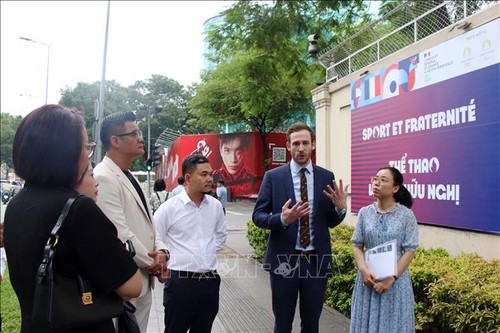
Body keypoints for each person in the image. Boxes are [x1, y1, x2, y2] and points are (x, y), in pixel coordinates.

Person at [3, 104, 141, 333]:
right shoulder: (79, 209)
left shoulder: (16, 204)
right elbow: (131, 286)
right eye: (84, 147)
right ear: (65, 153)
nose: (87, 156)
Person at [252, 122, 349, 333]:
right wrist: (283, 219)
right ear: (288, 146)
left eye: (306, 143)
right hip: (284, 262)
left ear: (313, 144)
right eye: (296, 143)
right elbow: (258, 216)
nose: (301, 148)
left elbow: (329, 220)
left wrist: (340, 209)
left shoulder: (326, 177)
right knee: (283, 323)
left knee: (312, 324)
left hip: (315, 263)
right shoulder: (274, 177)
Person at [94, 111, 169, 332]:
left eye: (139, 132)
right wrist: (153, 263)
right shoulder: (103, 177)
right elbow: (119, 233)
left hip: (143, 278)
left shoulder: (130, 176)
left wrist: (162, 251)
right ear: (115, 141)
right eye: (134, 132)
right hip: (125, 280)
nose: (141, 137)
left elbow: (150, 224)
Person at [154, 154, 227, 333]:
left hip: (209, 281)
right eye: (204, 174)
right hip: (180, 283)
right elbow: (155, 237)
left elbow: (220, 236)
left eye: (211, 174)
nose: (210, 179)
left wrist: (205, 255)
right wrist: (164, 259)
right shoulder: (169, 208)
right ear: (188, 178)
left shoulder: (215, 206)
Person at [350, 167, 419, 333]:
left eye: (383, 180)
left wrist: (392, 278)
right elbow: (357, 245)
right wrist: (363, 270)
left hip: (395, 284)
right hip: (368, 281)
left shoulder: (406, 215)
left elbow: (410, 250)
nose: (377, 183)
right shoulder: (364, 213)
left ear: (395, 188)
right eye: (375, 179)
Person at [213, 133, 256, 197]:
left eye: (239, 152)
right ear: (220, 151)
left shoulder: (254, 181)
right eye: (227, 151)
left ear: (246, 151)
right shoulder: (213, 177)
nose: (233, 160)